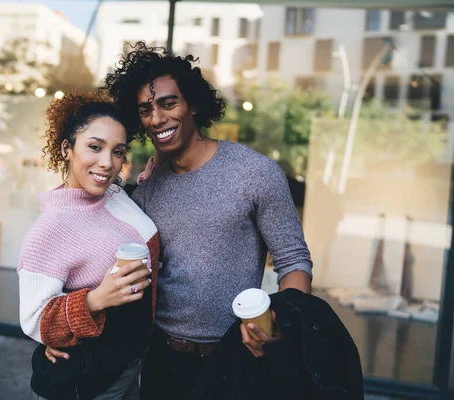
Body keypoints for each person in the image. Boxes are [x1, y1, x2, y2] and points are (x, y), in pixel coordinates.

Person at [46, 42, 313, 398]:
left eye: (168, 103)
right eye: (145, 110)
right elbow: (92, 252)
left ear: (194, 105)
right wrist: (63, 330)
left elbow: (294, 260)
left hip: (234, 358)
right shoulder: (144, 191)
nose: (156, 118)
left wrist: (280, 325)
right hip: (159, 360)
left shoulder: (254, 172)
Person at [18, 91, 159, 400]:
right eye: (95, 147)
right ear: (67, 149)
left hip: (125, 370)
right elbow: (34, 320)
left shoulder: (116, 196)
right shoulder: (52, 227)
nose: (107, 163)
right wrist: (95, 300)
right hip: (84, 385)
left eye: (118, 152)